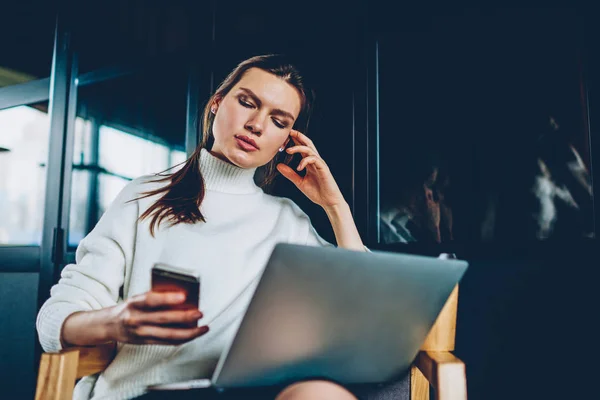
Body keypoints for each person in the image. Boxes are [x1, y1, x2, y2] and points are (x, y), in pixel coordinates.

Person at [36, 55, 369, 400]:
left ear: (286, 141)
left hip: (252, 391)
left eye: (278, 121)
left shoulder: (289, 221)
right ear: (217, 103)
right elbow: (54, 319)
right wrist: (117, 321)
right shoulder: (145, 196)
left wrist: (335, 207)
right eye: (247, 103)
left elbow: (363, 306)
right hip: (149, 391)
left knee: (323, 394)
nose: (257, 124)